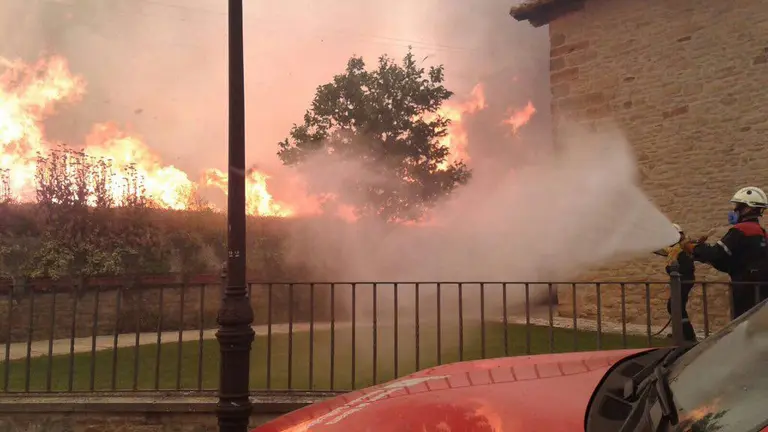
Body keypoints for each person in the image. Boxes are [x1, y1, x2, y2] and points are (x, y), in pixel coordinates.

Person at [683, 186, 768, 320]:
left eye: (737, 207)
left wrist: (694, 248)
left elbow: (717, 254)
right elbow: (730, 261)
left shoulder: (741, 230)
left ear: (748, 208)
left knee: (742, 327)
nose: (734, 210)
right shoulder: (761, 232)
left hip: (745, 290)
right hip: (760, 289)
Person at [654, 223, 697, 342]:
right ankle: (681, 333)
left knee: (674, 306)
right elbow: (661, 250)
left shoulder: (682, 248)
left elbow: (688, 267)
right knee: (676, 306)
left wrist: (675, 272)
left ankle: (689, 336)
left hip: (684, 280)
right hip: (680, 281)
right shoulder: (673, 249)